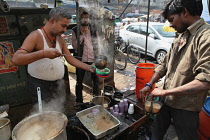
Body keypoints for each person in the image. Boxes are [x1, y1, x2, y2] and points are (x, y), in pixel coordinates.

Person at [140, 0, 210, 139]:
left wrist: (165, 91)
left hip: (186, 107)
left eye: (172, 20)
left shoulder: (205, 37)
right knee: (156, 133)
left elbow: (205, 81)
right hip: (166, 101)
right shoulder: (182, 34)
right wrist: (149, 84)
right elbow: (165, 63)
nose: (170, 25)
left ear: (184, 12)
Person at [12, 7, 95, 104]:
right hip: (40, 85)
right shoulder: (36, 36)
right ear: (52, 21)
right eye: (63, 26)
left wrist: (89, 67)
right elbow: (16, 59)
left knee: (57, 110)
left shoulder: (59, 38)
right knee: (44, 115)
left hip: (57, 83)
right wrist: (43, 53)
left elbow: (70, 59)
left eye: (66, 27)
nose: (65, 30)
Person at [72, 11, 100, 108]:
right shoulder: (75, 30)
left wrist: (99, 56)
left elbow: (97, 43)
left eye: (87, 18)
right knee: (79, 81)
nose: (85, 20)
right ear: (80, 19)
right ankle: (79, 101)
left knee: (95, 80)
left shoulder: (93, 29)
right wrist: (81, 35)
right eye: (83, 18)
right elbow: (75, 46)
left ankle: (96, 98)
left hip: (93, 59)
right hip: (81, 60)